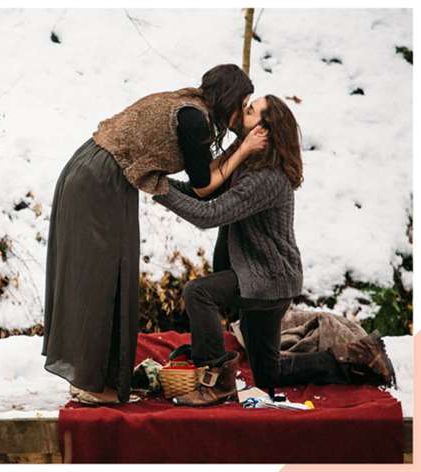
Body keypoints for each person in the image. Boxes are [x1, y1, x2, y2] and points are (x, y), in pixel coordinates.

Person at [41, 64, 268, 405]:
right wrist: (244, 150)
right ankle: (94, 384)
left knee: (101, 273)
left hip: (93, 170)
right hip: (101, 180)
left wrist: (239, 148)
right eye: (244, 102)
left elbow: (202, 174)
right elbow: (204, 186)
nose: (243, 111)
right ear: (230, 98)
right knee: (103, 277)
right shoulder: (194, 120)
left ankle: (93, 378)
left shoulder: (189, 104)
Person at [153, 95, 397, 407]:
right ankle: (357, 357)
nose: (243, 112)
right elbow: (202, 194)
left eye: (250, 110)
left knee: (198, 293)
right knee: (270, 373)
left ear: (265, 131)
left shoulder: (267, 178)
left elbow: (209, 214)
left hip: (269, 278)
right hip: (255, 273)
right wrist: (157, 182)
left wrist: (158, 190)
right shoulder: (246, 161)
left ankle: (215, 381)